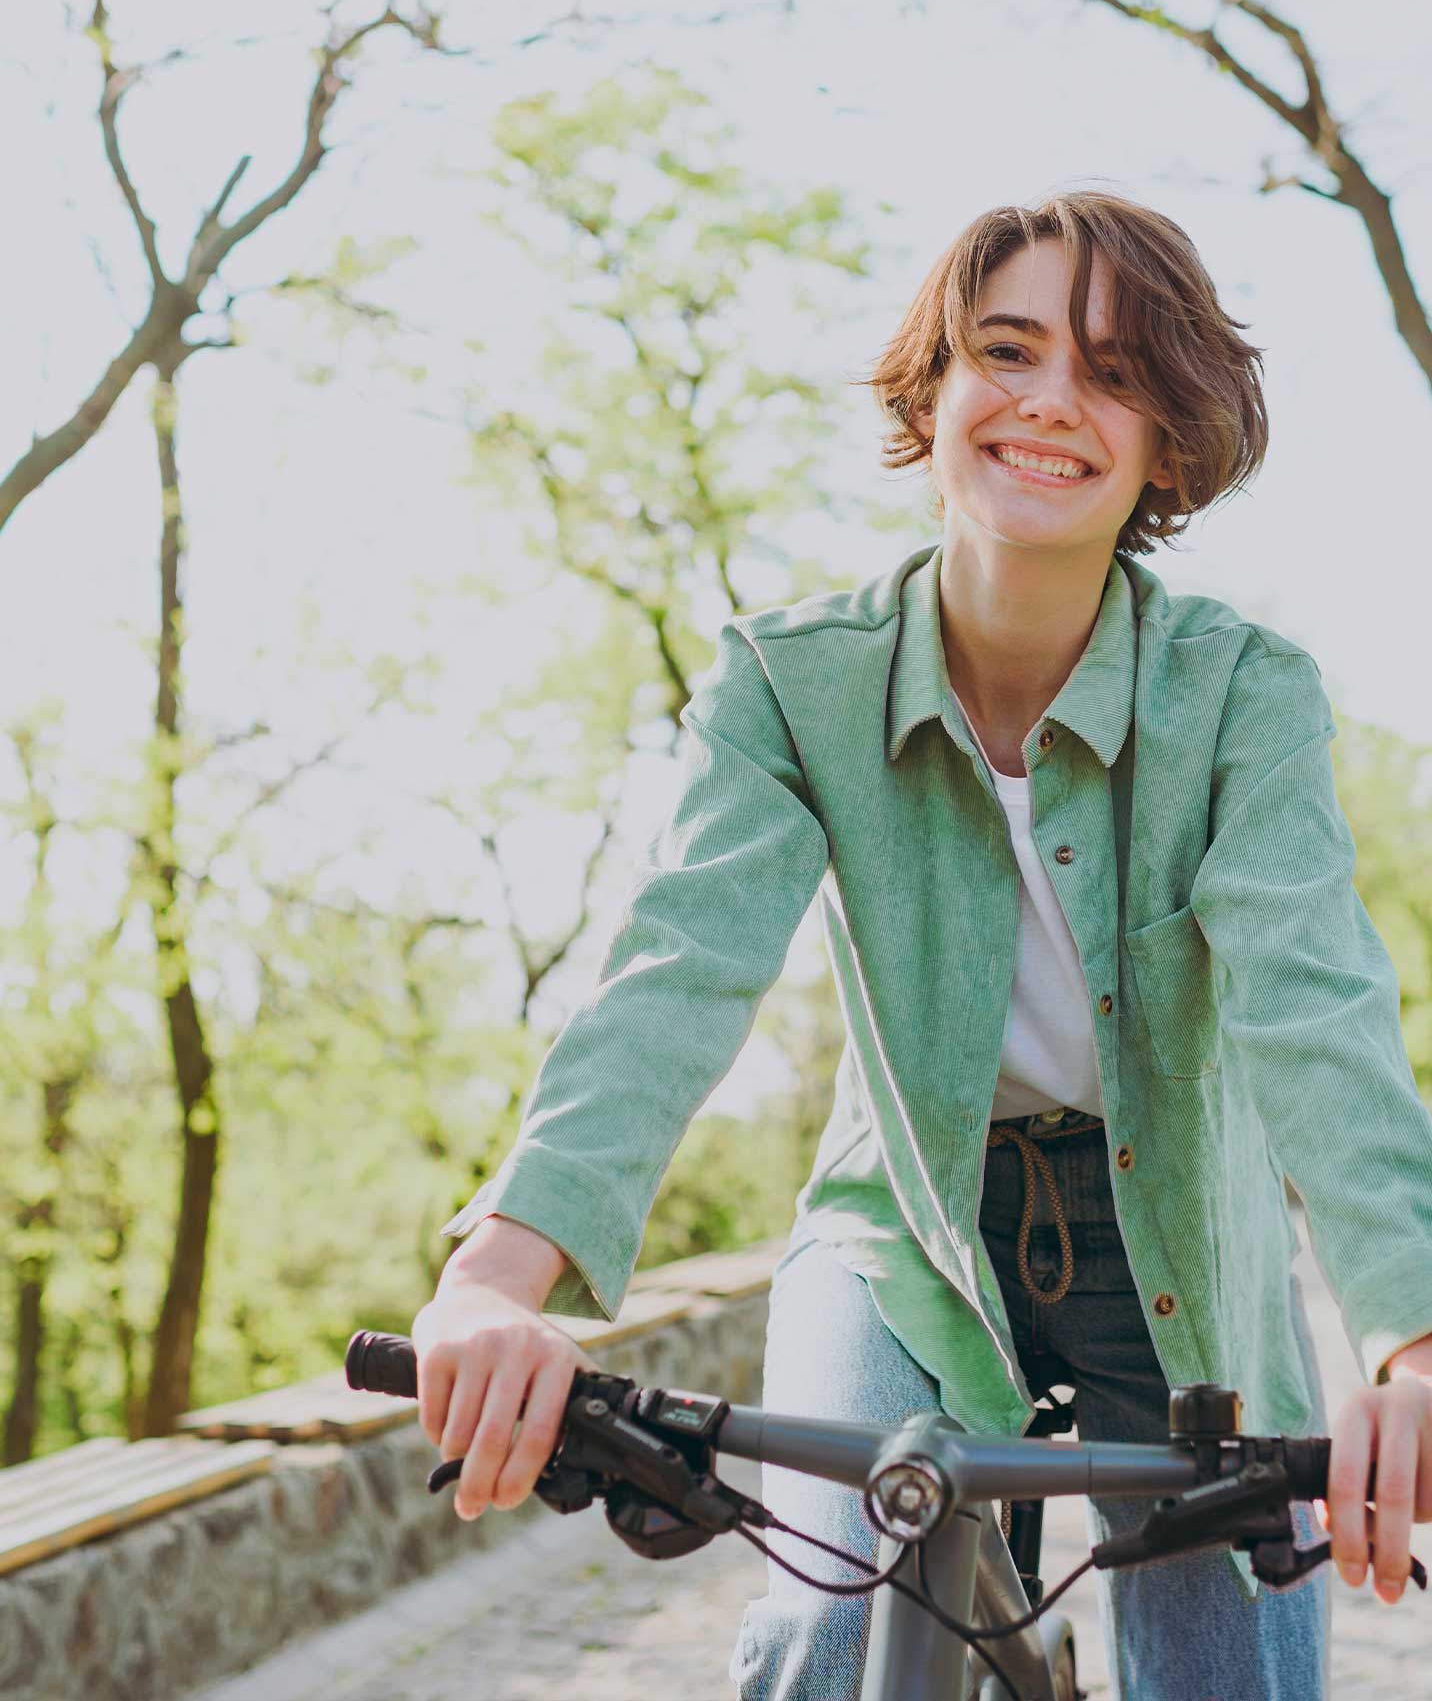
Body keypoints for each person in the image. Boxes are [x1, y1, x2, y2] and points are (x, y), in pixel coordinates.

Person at [411, 189, 1432, 1699]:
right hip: (899, 1221)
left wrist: (1411, 1339)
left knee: (1229, 1669)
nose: (1047, 401)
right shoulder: (785, 684)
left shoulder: (1241, 699)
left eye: (1112, 369)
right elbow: (673, 971)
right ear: (933, 393)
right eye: (1004, 350)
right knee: (834, 1618)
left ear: (1169, 437)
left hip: (1187, 1242)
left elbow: (1318, 1005)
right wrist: (499, 1278)